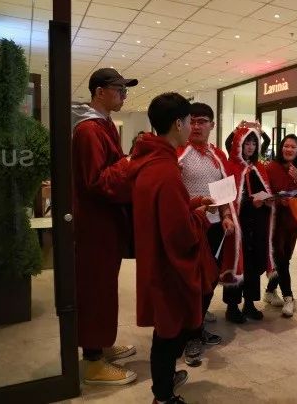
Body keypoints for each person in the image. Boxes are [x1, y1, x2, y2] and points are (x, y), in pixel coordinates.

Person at [129, 92, 219, 404]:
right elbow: (180, 233)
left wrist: (192, 203)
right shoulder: (166, 170)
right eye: (190, 121)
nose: (193, 127)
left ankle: (165, 381)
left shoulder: (152, 161)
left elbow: (167, 210)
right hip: (168, 266)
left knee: (167, 329)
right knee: (169, 331)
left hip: (156, 258)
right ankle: (164, 396)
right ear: (178, 124)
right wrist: (200, 216)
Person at [71, 67, 138, 385]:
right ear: (99, 92)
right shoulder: (89, 130)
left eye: (125, 90)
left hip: (105, 223)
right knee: (95, 289)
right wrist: (130, 162)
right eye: (119, 89)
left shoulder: (103, 125)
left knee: (105, 288)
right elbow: (97, 181)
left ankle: (101, 344)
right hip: (94, 224)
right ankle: (93, 361)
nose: (124, 95)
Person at [177, 102, 239, 366]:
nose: (197, 126)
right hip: (188, 226)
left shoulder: (218, 155)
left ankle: (197, 326)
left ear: (212, 125)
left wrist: (226, 216)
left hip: (214, 227)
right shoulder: (179, 153)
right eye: (192, 121)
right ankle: (189, 335)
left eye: (202, 121)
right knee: (191, 283)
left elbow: (224, 191)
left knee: (210, 280)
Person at [224, 126, 276, 323]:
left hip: (258, 224)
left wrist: (268, 201)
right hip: (239, 224)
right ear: (239, 143)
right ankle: (232, 307)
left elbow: (264, 191)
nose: (251, 146)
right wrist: (249, 203)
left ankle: (249, 303)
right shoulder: (230, 166)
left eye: (254, 143)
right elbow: (228, 198)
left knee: (253, 265)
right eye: (247, 142)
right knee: (237, 264)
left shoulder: (259, 167)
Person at [264, 134, 297, 317]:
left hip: (292, 222)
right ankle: (288, 297)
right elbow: (265, 191)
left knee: (285, 258)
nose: (289, 149)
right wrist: (278, 200)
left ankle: (270, 291)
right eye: (286, 146)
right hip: (274, 221)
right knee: (281, 259)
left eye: (293, 147)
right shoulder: (271, 167)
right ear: (281, 148)